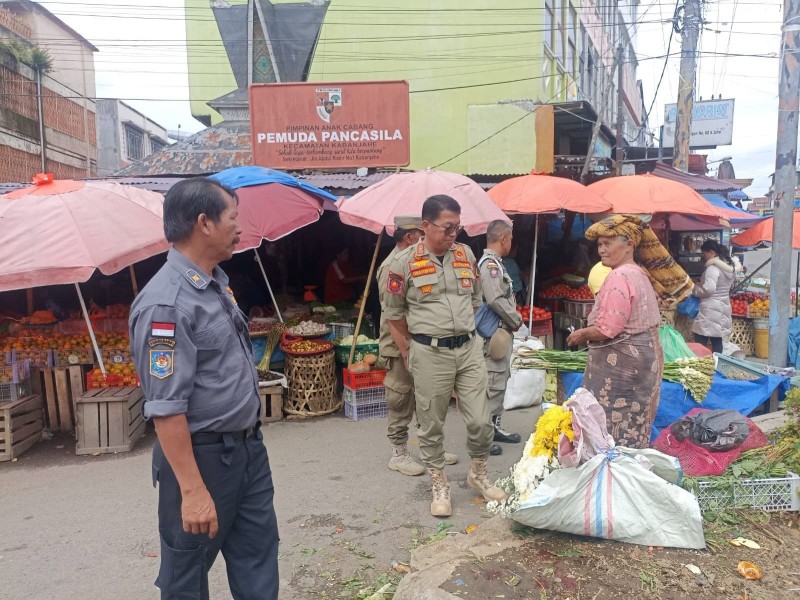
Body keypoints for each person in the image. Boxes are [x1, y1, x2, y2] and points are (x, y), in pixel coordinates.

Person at [129, 178, 279, 599]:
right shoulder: (166, 304)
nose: (239, 228)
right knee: (187, 576)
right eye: (233, 217)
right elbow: (166, 408)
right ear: (204, 223)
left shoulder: (214, 284)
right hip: (202, 459)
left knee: (258, 559)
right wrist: (193, 490)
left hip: (248, 450)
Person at [383, 195, 507, 517]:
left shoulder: (466, 254)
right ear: (425, 226)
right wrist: (411, 348)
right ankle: (439, 484)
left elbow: (476, 300)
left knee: (481, 420)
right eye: (447, 227)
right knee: (431, 424)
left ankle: (478, 473)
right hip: (429, 353)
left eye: (458, 228)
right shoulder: (403, 263)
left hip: (468, 350)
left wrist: (465, 334)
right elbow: (394, 314)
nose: (454, 234)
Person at [566, 215, 663, 449]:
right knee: (634, 420)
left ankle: (613, 467)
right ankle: (630, 463)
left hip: (624, 367)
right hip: (644, 358)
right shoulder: (638, 273)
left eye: (607, 243)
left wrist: (582, 334)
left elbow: (607, 328)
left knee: (613, 423)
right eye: (599, 244)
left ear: (629, 244)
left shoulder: (619, 276)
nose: (601, 250)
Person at [377, 216, 458, 476]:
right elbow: (392, 314)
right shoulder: (392, 266)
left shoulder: (419, 261)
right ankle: (399, 453)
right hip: (399, 344)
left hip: (423, 342)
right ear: (410, 237)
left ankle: (429, 446)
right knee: (400, 398)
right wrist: (405, 349)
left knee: (427, 397)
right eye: (420, 234)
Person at [478, 220, 523, 456]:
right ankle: (483, 437)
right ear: (503, 238)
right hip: (493, 332)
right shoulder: (490, 265)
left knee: (500, 379)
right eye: (511, 238)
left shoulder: (496, 263)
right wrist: (516, 319)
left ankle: (494, 427)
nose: (511, 243)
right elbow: (495, 298)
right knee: (493, 383)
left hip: (500, 332)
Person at [691, 239, 740, 354]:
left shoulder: (712, 268)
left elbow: (709, 289)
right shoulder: (728, 267)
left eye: (704, 254)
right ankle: (717, 362)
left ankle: (701, 362)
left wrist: (696, 290)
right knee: (717, 339)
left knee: (701, 338)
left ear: (711, 252)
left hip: (710, 309)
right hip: (723, 305)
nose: (704, 257)